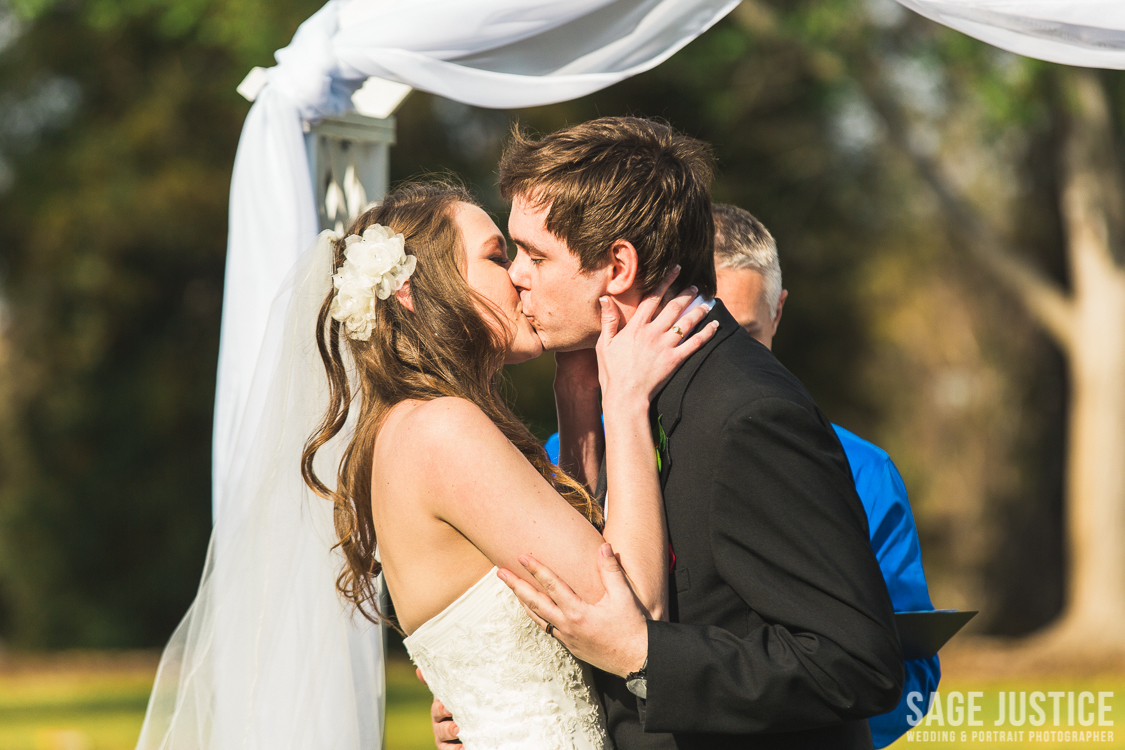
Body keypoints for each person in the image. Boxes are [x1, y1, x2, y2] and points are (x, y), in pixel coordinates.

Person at [435, 116, 903, 749]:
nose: (516, 275)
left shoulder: (745, 412)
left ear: (618, 266)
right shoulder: (624, 383)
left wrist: (645, 653)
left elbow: (856, 660)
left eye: (536, 254)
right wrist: (503, 697)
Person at [301, 181, 718, 749]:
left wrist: (577, 392)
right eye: (499, 257)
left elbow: (579, 542)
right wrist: (625, 403)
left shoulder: (409, 425)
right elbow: (633, 608)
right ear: (410, 291)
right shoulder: (441, 429)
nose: (523, 274)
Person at [537, 204, 940, 747]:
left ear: (778, 313)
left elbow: (893, 669)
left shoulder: (863, 470)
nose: (699, 350)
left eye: (737, 333)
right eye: (678, 330)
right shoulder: (569, 450)